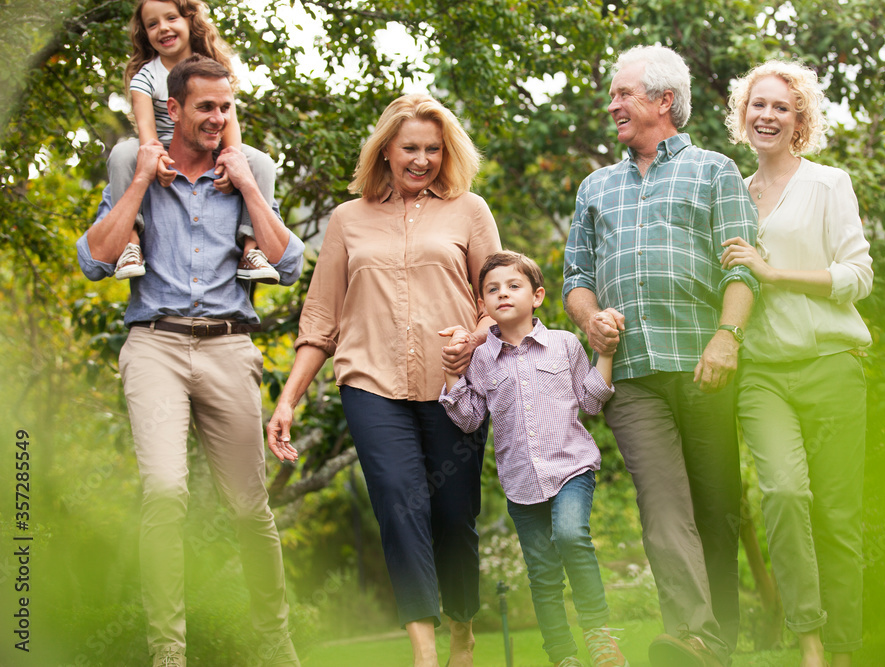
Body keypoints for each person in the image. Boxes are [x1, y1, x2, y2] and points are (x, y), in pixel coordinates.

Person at [76, 55, 304, 667]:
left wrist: (250, 187)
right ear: (173, 109)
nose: (217, 118)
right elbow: (94, 258)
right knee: (165, 491)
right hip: (156, 342)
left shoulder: (246, 173)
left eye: (226, 108)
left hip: (229, 345)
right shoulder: (140, 167)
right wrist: (140, 182)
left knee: (249, 506)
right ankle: (167, 651)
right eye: (206, 107)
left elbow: (287, 266)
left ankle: (274, 642)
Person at [266, 93, 501, 667]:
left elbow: (497, 300)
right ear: (386, 152)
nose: (420, 160)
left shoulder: (470, 210)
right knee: (399, 505)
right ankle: (423, 652)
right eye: (409, 148)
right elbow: (321, 318)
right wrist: (288, 399)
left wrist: (476, 337)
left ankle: (461, 630)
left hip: (455, 389)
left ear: (445, 153)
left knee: (453, 514)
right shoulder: (348, 219)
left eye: (431, 149)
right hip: (370, 385)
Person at [563, 45, 760, 667]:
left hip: (704, 366)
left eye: (624, 94)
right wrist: (591, 319)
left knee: (717, 505)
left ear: (663, 101)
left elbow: (743, 270)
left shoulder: (714, 171)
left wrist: (727, 337)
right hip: (635, 376)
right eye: (615, 94)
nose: (613, 104)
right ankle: (696, 634)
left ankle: (717, 638)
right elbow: (575, 278)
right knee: (663, 502)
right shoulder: (596, 187)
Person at [722, 60, 872, 667]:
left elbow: (857, 276)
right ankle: (809, 643)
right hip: (761, 373)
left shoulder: (828, 184)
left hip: (833, 363)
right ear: (742, 115)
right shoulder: (732, 190)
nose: (768, 115)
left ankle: (844, 651)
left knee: (837, 515)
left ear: (799, 120)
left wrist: (774, 273)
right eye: (758, 105)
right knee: (782, 493)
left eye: (782, 107)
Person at [439, 251, 628, 667]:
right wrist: (452, 370)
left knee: (570, 535)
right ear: (481, 305)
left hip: (571, 468)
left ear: (537, 295)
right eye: (492, 289)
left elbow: (592, 401)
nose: (502, 293)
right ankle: (562, 656)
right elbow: (469, 419)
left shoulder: (564, 344)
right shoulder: (481, 358)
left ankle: (601, 638)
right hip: (522, 485)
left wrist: (607, 353)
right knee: (542, 574)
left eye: (513, 286)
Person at [108, 0, 280, 284]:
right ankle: (130, 243)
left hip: (209, 145)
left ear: (190, 21)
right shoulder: (146, 78)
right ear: (145, 33)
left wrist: (231, 160)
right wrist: (156, 161)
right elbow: (146, 132)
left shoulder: (214, 70)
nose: (163, 28)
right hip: (162, 145)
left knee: (260, 162)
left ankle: (251, 249)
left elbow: (229, 123)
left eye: (171, 18)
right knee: (121, 154)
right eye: (152, 24)